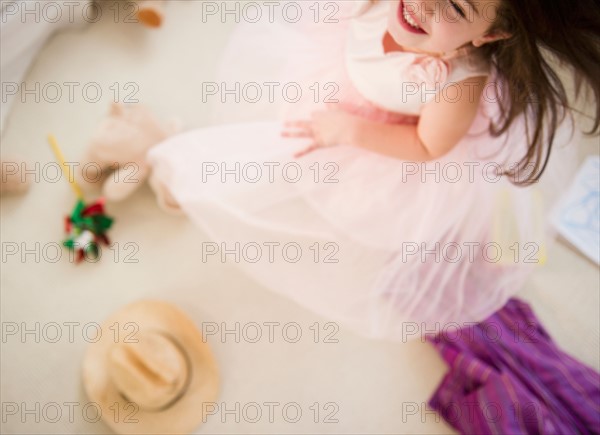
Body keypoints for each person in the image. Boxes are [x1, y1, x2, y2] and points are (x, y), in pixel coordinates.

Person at [147, 0, 600, 341]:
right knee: (292, 128)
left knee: (352, 196)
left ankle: (486, 248)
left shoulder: (459, 85)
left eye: (456, 8)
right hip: (339, 80)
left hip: (377, 137)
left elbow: (426, 145)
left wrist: (350, 131)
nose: (427, 4)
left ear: (488, 36)